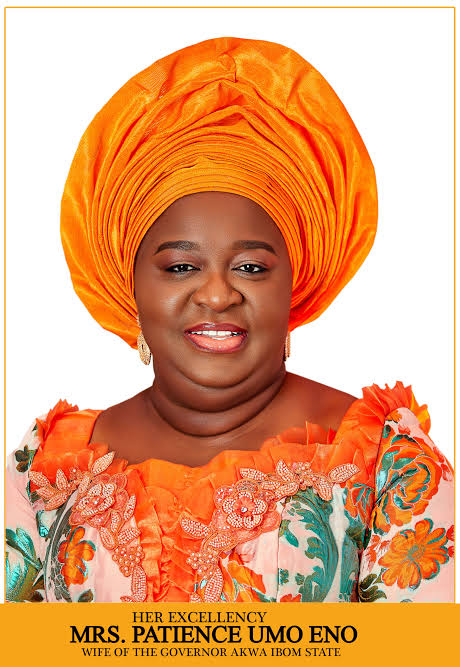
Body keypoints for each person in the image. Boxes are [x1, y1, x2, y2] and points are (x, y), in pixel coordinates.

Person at [5, 37, 453, 604]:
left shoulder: (388, 463)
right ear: (130, 285)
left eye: (250, 267)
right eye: (181, 266)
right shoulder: (45, 471)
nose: (217, 294)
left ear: (294, 284)